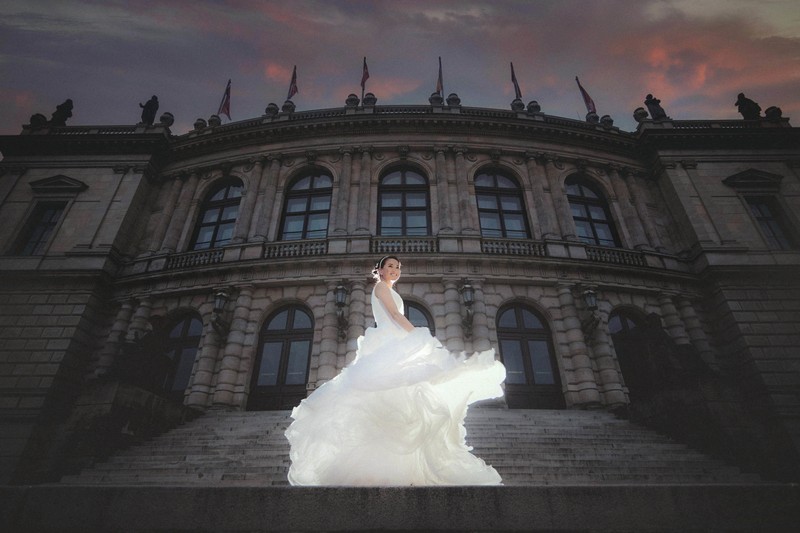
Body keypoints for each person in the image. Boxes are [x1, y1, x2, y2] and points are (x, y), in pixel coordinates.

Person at [285, 256, 506, 486]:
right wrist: (418, 335)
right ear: (379, 270)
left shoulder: (388, 289)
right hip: (388, 346)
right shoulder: (380, 287)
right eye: (390, 266)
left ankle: (404, 469)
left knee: (405, 406)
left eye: (398, 267)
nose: (395, 270)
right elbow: (394, 315)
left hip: (394, 345)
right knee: (391, 404)